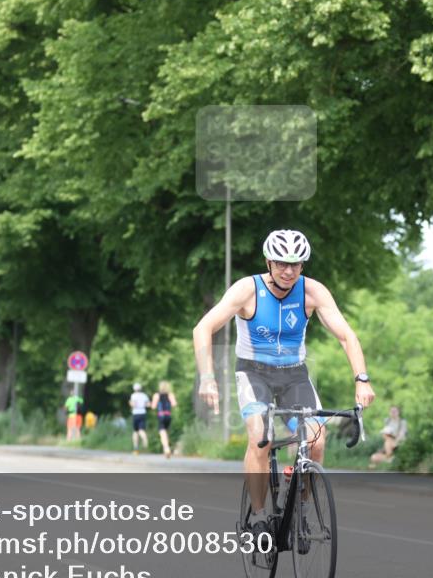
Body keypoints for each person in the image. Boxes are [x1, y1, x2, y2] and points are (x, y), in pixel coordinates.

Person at [193, 229, 376, 536]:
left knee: (316, 440)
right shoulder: (246, 289)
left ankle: (300, 508)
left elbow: (347, 335)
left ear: (303, 265)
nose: (288, 271)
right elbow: (203, 328)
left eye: (296, 264)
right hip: (254, 374)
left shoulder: (312, 291)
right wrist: (208, 377)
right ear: (268, 262)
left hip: (294, 374)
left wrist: (362, 379)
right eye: (281, 263)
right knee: (260, 437)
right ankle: (260, 515)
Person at [153, 381, 178, 459]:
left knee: (162, 433)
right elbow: (174, 404)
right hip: (168, 415)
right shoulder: (170, 395)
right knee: (166, 432)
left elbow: (153, 406)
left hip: (161, 415)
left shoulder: (156, 395)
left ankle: (166, 448)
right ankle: (168, 448)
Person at [128, 383, 150, 453]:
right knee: (142, 429)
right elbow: (148, 404)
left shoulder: (133, 395)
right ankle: (145, 443)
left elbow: (133, 405)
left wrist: (130, 403)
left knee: (135, 431)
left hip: (136, 413)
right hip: (143, 413)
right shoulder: (144, 395)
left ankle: (136, 447)